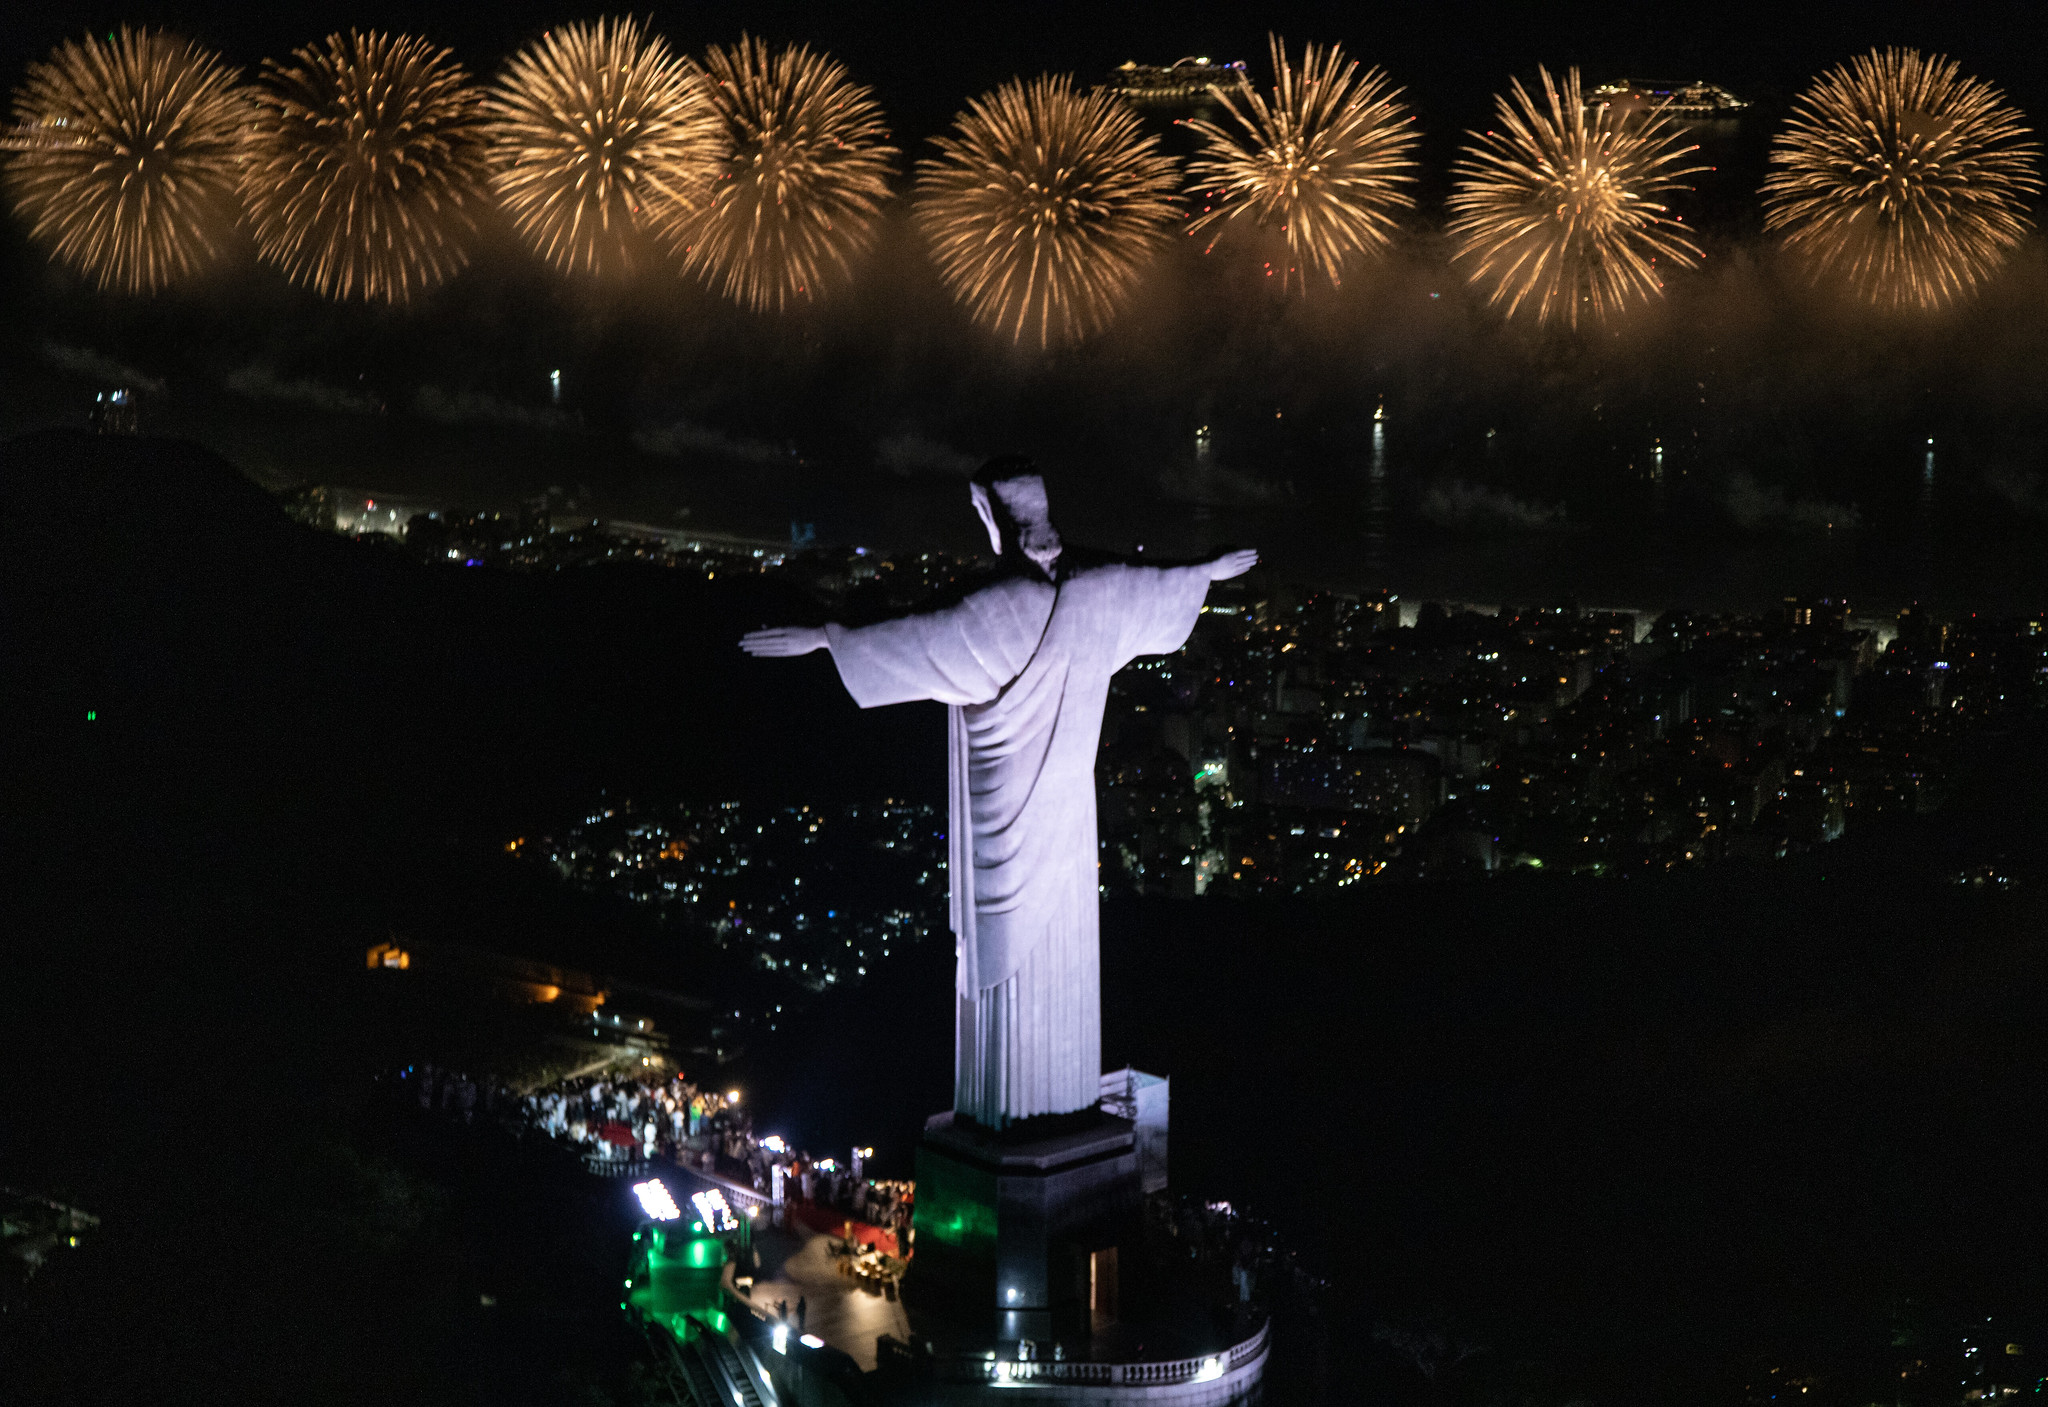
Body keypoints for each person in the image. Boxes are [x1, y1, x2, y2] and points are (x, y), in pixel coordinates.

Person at [742, 459, 1254, 1127]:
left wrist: (824, 638)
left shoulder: (994, 613)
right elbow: (1152, 582)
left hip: (1008, 826)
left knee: (1006, 978)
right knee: (1054, 960)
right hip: (1069, 823)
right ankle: (1053, 1110)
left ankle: (1013, 1114)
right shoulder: (1094, 591)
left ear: (989, 521)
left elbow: (914, 639)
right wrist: (1205, 571)